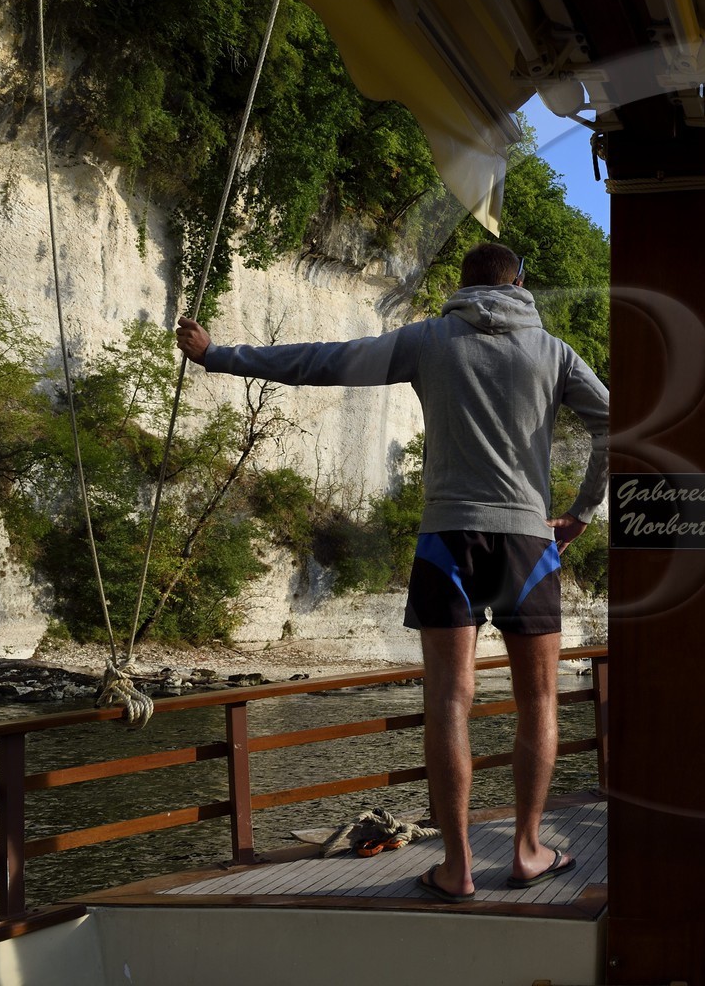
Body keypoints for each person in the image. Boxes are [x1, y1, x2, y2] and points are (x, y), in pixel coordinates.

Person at [175, 243, 609, 901]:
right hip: (525, 541)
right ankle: (526, 852)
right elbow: (621, 427)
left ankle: (457, 867)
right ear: (521, 283)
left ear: (460, 287)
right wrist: (581, 511)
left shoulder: (429, 340)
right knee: (539, 701)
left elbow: (323, 361)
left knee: (448, 701)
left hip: (447, 539)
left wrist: (216, 356)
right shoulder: (553, 353)